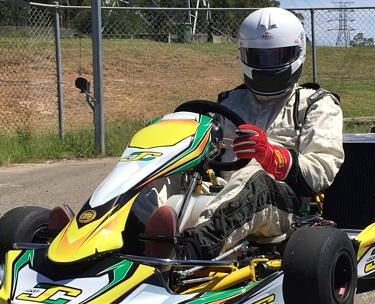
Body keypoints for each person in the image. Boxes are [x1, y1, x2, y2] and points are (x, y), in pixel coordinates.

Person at [143, 7, 344, 260]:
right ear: (243, 56)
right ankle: (124, 235)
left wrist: (273, 156)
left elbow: (321, 171)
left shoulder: (315, 103)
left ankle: (188, 251)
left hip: (285, 204)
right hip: (219, 189)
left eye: (277, 56)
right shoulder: (230, 102)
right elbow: (205, 148)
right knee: (162, 170)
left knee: (253, 175)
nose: (268, 66)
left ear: (297, 53)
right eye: (259, 57)